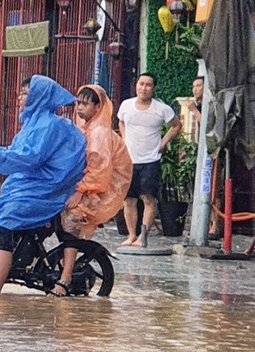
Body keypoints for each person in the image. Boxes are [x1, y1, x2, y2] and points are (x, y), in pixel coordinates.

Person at [0, 75, 86, 295]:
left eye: (25, 93)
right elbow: (16, 151)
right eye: (21, 93)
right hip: (26, 185)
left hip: (45, 190)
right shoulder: (32, 123)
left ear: (38, 97)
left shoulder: (50, 125)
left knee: (4, 226)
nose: (20, 98)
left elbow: (31, 157)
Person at [58, 84, 132, 287]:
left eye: (85, 104)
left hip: (101, 189)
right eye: (78, 103)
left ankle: (65, 278)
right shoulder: (87, 128)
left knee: (72, 223)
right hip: (91, 185)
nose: (80, 108)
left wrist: (80, 192)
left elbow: (99, 171)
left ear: (97, 107)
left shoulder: (99, 132)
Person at [117, 72, 181, 247]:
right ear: (136, 85)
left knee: (148, 198)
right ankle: (131, 235)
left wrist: (163, 142)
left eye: (148, 85)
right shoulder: (126, 105)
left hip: (150, 160)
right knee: (129, 200)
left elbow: (176, 125)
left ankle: (142, 237)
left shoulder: (161, 109)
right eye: (141, 84)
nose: (143, 88)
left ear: (153, 88)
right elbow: (121, 122)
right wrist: (124, 138)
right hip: (129, 160)